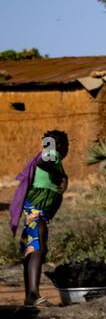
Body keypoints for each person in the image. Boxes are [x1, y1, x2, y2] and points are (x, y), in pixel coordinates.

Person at [9, 130, 69, 306]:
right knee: (37, 248)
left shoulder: (52, 157)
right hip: (37, 209)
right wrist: (62, 176)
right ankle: (33, 294)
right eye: (67, 146)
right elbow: (44, 160)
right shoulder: (53, 154)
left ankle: (30, 295)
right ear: (61, 146)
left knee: (32, 249)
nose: (68, 150)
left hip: (36, 210)